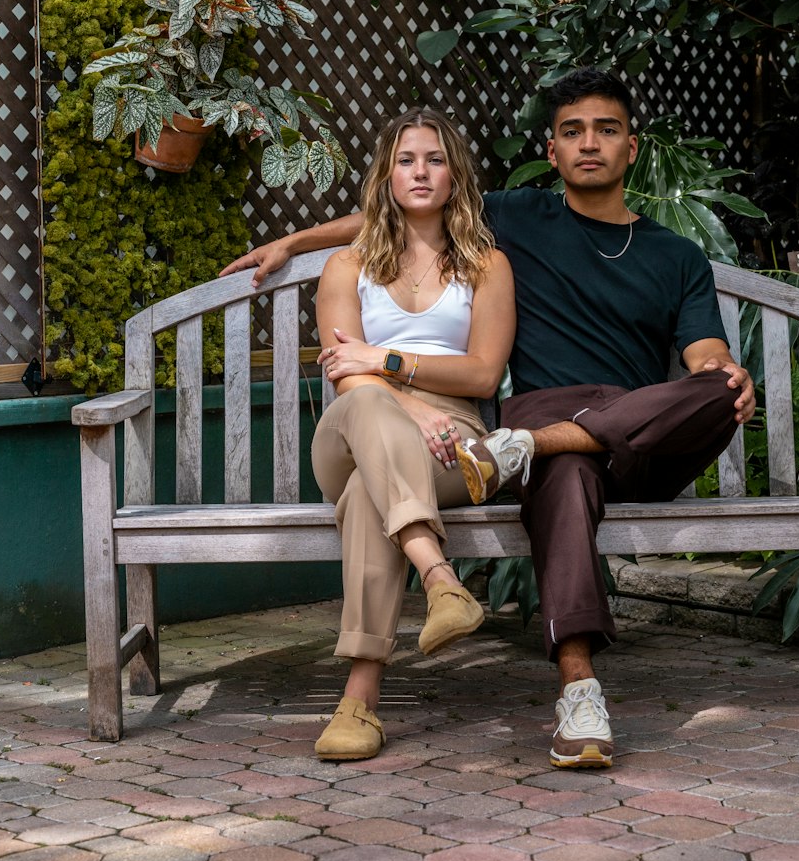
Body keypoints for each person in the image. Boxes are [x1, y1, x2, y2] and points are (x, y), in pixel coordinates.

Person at [221, 69, 754, 770]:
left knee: (714, 390)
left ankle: (522, 449)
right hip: (528, 423)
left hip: (614, 432)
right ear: (553, 149)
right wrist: (295, 241)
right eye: (572, 131)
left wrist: (723, 369)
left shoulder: (675, 255)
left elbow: (703, 348)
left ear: (632, 147)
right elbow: (406, 207)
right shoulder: (520, 220)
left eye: (606, 129)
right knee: (552, 470)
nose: (589, 143)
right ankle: (576, 687)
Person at [299, 107, 514, 761]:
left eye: (435, 158)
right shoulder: (347, 266)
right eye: (406, 159)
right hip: (358, 422)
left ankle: (359, 700)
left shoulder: (486, 265)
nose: (420, 171)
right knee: (371, 418)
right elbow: (345, 374)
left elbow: (482, 370)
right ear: (386, 175)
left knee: (370, 492)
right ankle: (440, 578)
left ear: (456, 175)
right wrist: (409, 405)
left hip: (457, 440)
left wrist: (390, 360)